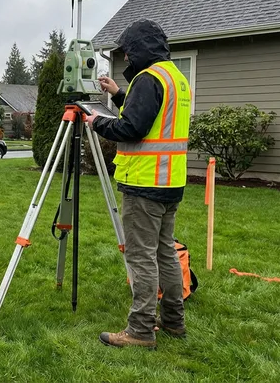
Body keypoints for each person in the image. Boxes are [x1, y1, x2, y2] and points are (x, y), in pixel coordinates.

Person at [84, 18, 192, 350]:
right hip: (169, 181)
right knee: (165, 254)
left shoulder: (148, 79)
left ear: (140, 49)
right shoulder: (175, 77)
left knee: (141, 256)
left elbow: (133, 127)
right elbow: (150, 113)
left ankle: (141, 329)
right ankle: (174, 321)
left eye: (129, 53)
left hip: (145, 182)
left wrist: (96, 121)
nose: (127, 59)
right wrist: (118, 94)